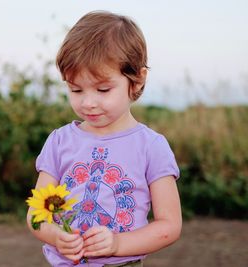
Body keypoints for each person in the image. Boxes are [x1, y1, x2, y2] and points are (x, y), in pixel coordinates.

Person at [26, 10, 182, 267]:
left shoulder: (151, 147)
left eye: (103, 89)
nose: (88, 102)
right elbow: (35, 216)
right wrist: (56, 235)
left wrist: (118, 244)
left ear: (137, 79)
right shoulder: (59, 141)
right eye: (75, 89)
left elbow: (169, 226)